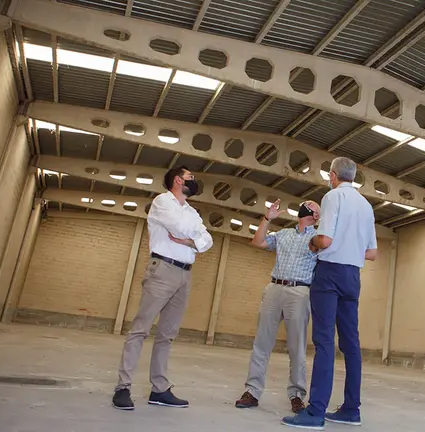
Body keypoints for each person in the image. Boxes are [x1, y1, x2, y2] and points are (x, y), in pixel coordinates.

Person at [282, 157, 378, 430]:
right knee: (351, 344)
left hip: (330, 274)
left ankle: (315, 412)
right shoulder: (366, 205)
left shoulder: (333, 197)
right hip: (352, 276)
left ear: (333, 175)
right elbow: (372, 253)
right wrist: (350, 246)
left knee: (324, 342)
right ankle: (351, 409)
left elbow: (324, 240)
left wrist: (313, 243)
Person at [112, 166, 213, 410]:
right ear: (178, 180)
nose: (194, 181)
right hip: (162, 269)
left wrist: (192, 241)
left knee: (167, 334)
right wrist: (194, 240)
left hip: (185, 274)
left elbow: (207, 240)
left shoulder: (191, 211)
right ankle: (122, 388)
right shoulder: (162, 202)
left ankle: (159, 389)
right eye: (191, 177)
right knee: (140, 329)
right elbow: (178, 229)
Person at [234, 199, 321, 414]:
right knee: (262, 342)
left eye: (311, 204)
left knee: (296, 346)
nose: (305, 204)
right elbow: (258, 242)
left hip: (300, 291)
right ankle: (252, 392)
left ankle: (297, 395)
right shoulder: (283, 234)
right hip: (275, 288)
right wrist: (266, 219)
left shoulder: (318, 239)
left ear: (317, 215)